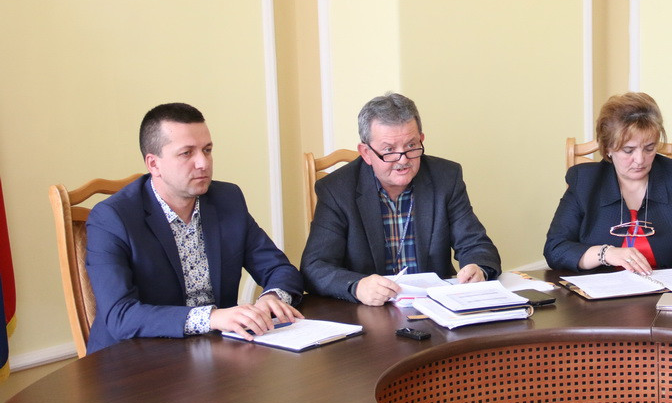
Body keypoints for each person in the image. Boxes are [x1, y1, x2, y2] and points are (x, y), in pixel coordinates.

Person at [85, 103, 304, 353]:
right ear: (153, 164)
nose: (203, 163)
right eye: (187, 153)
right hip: (135, 358)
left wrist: (271, 299)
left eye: (207, 150)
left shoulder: (227, 199)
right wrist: (211, 318)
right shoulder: (111, 218)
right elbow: (120, 315)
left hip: (217, 351)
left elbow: (279, 268)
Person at [301, 93, 501, 305]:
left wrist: (478, 268)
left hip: (433, 307)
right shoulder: (337, 190)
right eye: (389, 150)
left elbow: (476, 245)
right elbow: (314, 267)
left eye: (411, 145)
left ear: (421, 139)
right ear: (366, 152)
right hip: (370, 311)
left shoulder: (445, 178)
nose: (403, 160)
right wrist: (357, 286)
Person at [544, 92, 672, 274]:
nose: (640, 160)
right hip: (603, 288)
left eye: (649, 148)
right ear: (608, 148)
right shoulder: (585, 181)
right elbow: (555, 249)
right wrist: (606, 253)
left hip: (665, 288)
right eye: (628, 150)